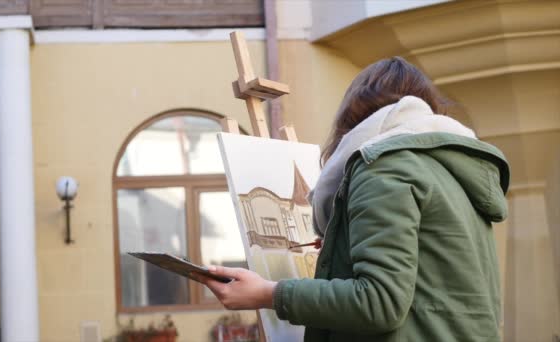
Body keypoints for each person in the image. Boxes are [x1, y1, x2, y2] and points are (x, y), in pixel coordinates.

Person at [200, 57, 509, 342]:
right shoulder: (448, 167)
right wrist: (343, 247)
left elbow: (380, 302)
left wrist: (270, 293)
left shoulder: (385, 168)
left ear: (353, 114)